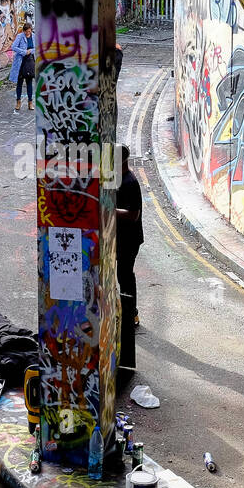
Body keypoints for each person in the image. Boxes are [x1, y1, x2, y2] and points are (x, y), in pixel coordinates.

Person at [115, 145, 145, 365]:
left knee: (125, 275)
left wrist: (108, 209)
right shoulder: (117, 178)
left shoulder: (130, 182)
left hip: (129, 239)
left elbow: (133, 215)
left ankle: (131, 314)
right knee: (121, 275)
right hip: (119, 238)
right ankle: (127, 312)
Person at [9, 21, 35, 111]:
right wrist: (24, 52)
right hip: (20, 63)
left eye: (29, 31)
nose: (28, 33)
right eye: (27, 31)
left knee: (29, 83)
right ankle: (18, 102)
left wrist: (30, 51)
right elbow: (13, 47)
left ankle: (30, 103)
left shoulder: (33, 36)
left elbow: (36, 48)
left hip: (30, 62)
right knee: (19, 83)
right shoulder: (20, 36)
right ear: (24, 31)